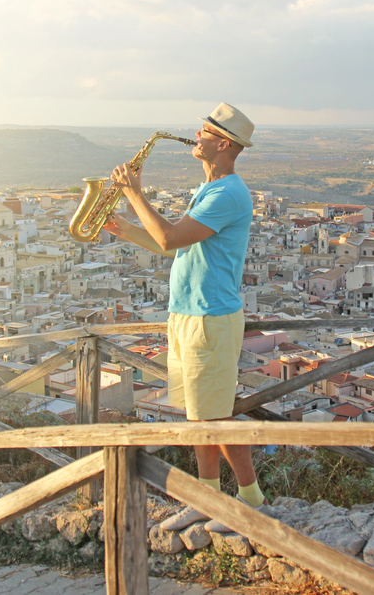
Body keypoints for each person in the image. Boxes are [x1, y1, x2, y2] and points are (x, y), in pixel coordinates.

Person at [103, 102, 264, 533]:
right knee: (203, 413)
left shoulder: (227, 192)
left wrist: (135, 192)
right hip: (192, 314)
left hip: (208, 317)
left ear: (223, 143)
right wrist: (126, 229)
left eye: (205, 131)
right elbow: (171, 245)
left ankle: (246, 500)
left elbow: (171, 235)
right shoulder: (210, 189)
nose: (197, 135)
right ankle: (213, 499)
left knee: (212, 417)